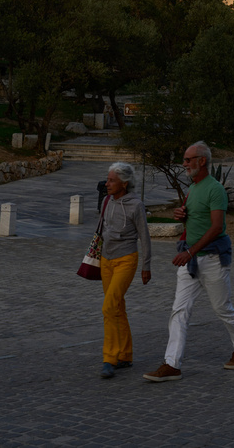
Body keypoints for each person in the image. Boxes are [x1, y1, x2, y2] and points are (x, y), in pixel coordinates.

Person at [143, 141, 234, 382]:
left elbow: (217, 228)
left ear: (202, 161)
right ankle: (172, 364)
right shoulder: (193, 189)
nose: (184, 164)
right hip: (191, 261)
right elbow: (194, 220)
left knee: (222, 308)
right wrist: (182, 215)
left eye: (188, 160)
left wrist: (190, 252)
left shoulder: (215, 189)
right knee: (179, 310)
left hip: (212, 259)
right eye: (184, 160)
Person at [99, 161, 152, 379]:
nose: (107, 184)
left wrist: (146, 266)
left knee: (108, 307)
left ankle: (109, 358)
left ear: (124, 183)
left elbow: (145, 236)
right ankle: (126, 354)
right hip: (105, 260)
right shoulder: (106, 201)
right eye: (108, 179)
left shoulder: (135, 205)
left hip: (126, 260)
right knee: (117, 306)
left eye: (112, 180)